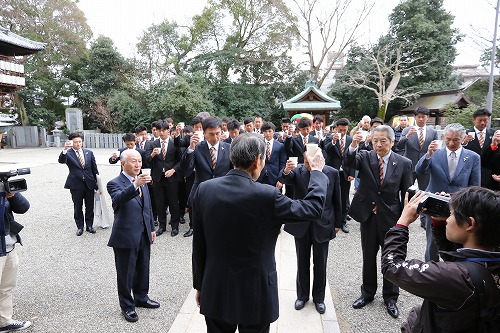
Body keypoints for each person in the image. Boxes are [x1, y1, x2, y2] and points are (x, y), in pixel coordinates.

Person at [192, 133, 328, 333]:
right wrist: (316, 172)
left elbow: (199, 244)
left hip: (216, 286)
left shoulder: (204, 190)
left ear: (232, 158)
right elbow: (313, 209)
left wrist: (200, 284)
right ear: (258, 160)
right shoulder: (267, 195)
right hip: (256, 289)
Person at [382, 187, 500, 332]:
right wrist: (438, 224)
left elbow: (392, 266)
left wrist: (402, 223)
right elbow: (467, 264)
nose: (448, 219)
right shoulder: (488, 264)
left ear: (470, 224)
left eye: (451, 214)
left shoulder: (453, 277)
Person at [345, 125, 413, 318]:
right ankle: (367, 293)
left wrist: (404, 220)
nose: (379, 144)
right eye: (375, 140)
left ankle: (390, 297)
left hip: (391, 217)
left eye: (383, 141)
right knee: (368, 256)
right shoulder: (365, 157)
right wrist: (354, 145)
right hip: (368, 216)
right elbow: (349, 161)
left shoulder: (403, 163)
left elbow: (406, 193)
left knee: (391, 257)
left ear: (392, 142)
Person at [278, 151, 341, 314]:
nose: (309, 166)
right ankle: (302, 296)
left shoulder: (331, 172)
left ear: (320, 160)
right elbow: (283, 179)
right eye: (306, 162)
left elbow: (337, 199)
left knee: (321, 263)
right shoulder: (298, 171)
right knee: (302, 261)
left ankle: (319, 298)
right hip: (302, 224)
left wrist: (338, 222)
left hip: (323, 224)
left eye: (311, 162)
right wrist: (286, 171)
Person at [415, 123, 481, 262]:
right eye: (448, 139)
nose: (451, 143)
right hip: (434, 204)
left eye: (456, 140)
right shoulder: (435, 153)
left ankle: (454, 273)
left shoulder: (473, 157)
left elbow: (475, 186)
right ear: (443, 137)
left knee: (457, 242)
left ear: (463, 139)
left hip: (458, 206)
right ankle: (431, 273)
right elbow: (419, 171)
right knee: (432, 242)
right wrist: (428, 155)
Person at [107, 149, 159, 323]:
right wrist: (135, 184)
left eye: (139, 161)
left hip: (143, 232)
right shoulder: (114, 183)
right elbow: (118, 200)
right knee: (126, 273)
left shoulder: (142, 180)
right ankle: (127, 306)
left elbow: (147, 206)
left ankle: (141, 297)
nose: (138, 164)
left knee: (143, 268)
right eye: (133, 161)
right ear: (123, 163)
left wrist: (151, 227)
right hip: (125, 235)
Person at [181, 117, 232, 237]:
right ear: (204, 133)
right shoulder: (197, 147)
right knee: (199, 218)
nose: (215, 137)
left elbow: (233, 169)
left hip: (222, 188)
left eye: (218, 134)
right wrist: (191, 148)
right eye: (211, 134)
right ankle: (194, 228)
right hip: (201, 187)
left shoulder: (228, 148)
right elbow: (186, 170)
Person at [396, 106, 438, 229]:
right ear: (414, 118)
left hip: (425, 165)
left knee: (425, 192)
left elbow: (435, 148)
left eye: (423, 117)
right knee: (407, 191)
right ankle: (404, 216)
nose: (420, 119)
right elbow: (399, 146)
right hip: (409, 164)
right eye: (418, 117)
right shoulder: (408, 130)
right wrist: (407, 136)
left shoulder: (432, 131)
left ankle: (424, 218)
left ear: (427, 118)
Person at [0, 191, 31, 331]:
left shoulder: (3, 186)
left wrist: (13, 195)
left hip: (8, 246)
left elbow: (24, 207)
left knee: (6, 287)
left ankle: (4, 322)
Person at [58, 132, 99, 236]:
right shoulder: (68, 153)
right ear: (72, 142)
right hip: (76, 184)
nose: (78, 144)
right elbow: (61, 161)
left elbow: (94, 169)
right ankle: (80, 227)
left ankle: (89, 225)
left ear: (82, 142)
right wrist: (64, 150)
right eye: (75, 142)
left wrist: (97, 182)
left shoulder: (88, 153)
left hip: (89, 183)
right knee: (78, 206)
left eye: (80, 141)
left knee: (90, 206)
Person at [146, 121, 182, 237]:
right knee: (159, 203)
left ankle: (175, 226)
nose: (161, 133)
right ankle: (162, 226)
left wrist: (173, 170)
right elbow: (146, 161)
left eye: (163, 130)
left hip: (171, 177)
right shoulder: (152, 144)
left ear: (168, 130)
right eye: (159, 130)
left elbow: (181, 161)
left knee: (173, 202)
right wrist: (152, 155)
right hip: (158, 178)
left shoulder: (174, 143)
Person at [323, 118, 354, 233]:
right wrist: (333, 142)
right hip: (332, 172)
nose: (342, 132)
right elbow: (326, 150)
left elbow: (352, 157)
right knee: (331, 196)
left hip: (345, 173)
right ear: (336, 128)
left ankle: (342, 222)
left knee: (344, 197)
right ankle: (331, 220)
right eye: (340, 130)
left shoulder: (350, 140)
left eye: (344, 130)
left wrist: (351, 173)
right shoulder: (330, 138)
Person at [462, 108, 497, 189]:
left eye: (485, 120)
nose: (482, 123)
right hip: (470, 171)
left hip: (489, 173)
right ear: (473, 120)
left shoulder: (494, 134)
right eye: (480, 120)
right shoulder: (465, 134)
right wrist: (464, 142)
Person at [257, 122, 287, 189]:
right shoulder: (259, 145)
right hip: (260, 176)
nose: (267, 134)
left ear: (273, 132)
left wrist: (281, 179)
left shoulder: (280, 146)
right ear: (263, 132)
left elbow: (282, 163)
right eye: (265, 131)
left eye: (270, 131)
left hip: (275, 177)